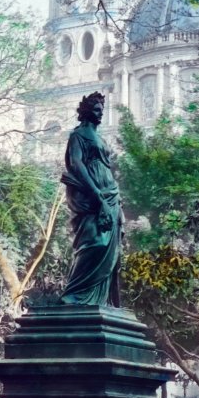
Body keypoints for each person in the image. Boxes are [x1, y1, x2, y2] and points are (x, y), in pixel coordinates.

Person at [60, 92, 123, 306]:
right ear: (86, 111)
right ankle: (75, 295)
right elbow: (76, 164)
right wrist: (97, 195)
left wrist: (112, 198)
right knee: (94, 243)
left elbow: (106, 166)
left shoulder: (102, 139)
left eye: (102, 110)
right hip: (92, 197)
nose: (100, 114)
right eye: (96, 110)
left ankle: (100, 299)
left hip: (111, 195)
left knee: (112, 249)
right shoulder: (78, 135)